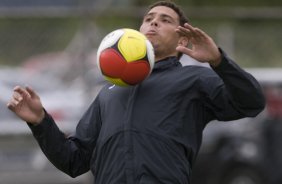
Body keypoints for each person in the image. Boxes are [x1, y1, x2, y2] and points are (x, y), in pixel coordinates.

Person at [7, 1, 265, 184]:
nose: (154, 21)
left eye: (166, 20)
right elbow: (73, 161)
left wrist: (219, 61)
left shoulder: (194, 79)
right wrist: (40, 122)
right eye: (149, 18)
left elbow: (252, 103)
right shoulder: (109, 91)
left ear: (182, 40)